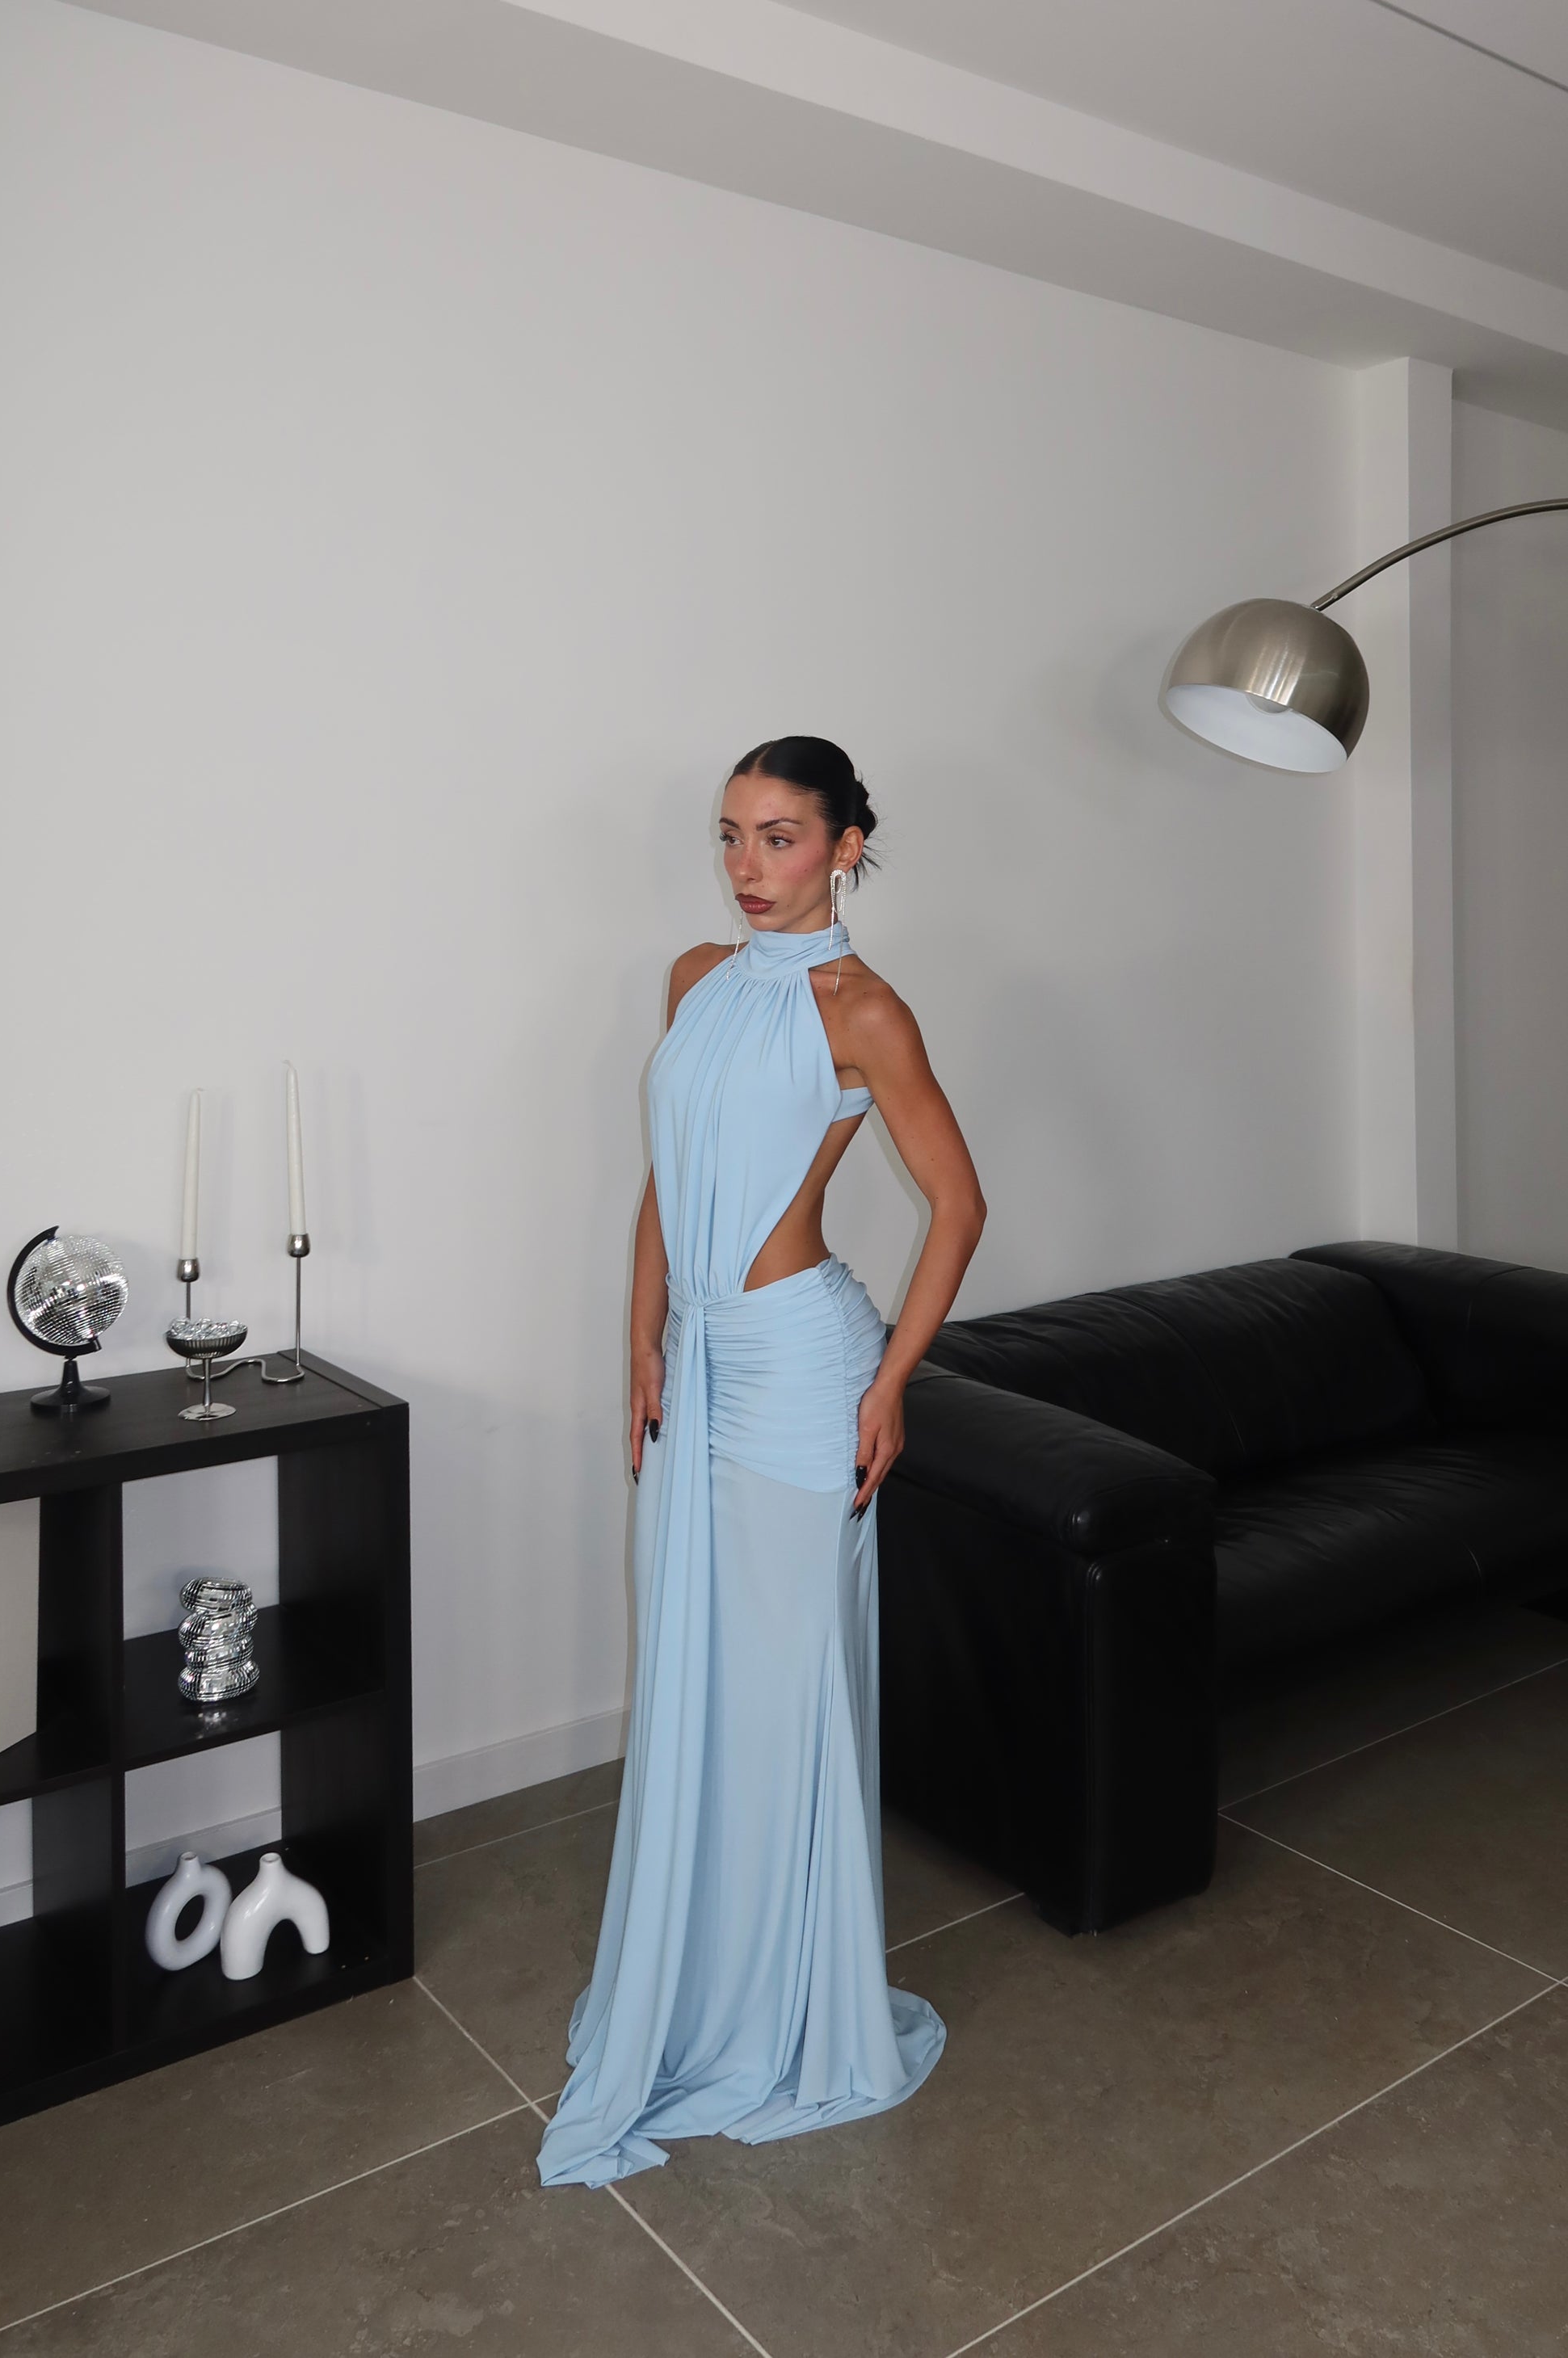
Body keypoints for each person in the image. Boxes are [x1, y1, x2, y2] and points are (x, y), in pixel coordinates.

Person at [536, 736, 987, 2188]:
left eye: (780, 838)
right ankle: (698, 1979)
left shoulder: (863, 1009)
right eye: (730, 836)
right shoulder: (694, 979)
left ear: (845, 847)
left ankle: (794, 2007)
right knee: (700, 1678)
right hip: (702, 1365)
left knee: (787, 1694)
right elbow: (667, 1183)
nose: (747, 867)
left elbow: (958, 1205)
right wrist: (640, 1340)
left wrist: (893, 1379)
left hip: (802, 1373)